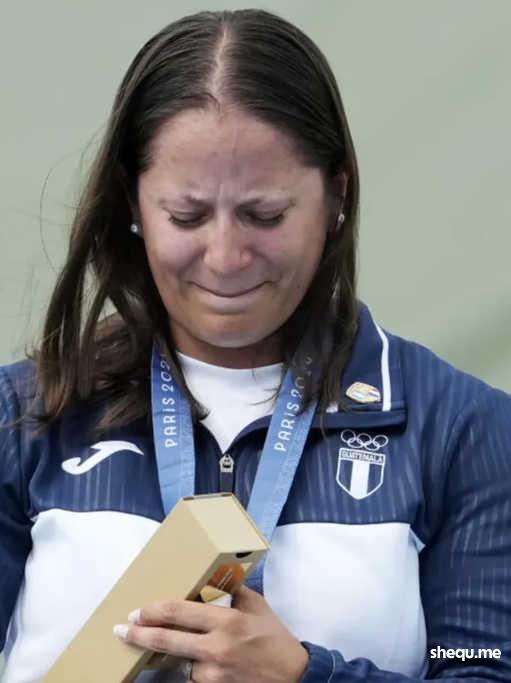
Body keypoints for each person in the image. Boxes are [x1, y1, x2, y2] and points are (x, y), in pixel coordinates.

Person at [1, 8, 510, 683]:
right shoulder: (21, 418)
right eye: (186, 215)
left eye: (263, 215)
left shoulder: (462, 429)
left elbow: (482, 671)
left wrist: (303, 676)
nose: (225, 257)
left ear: (336, 196)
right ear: (131, 203)